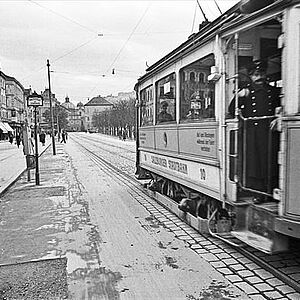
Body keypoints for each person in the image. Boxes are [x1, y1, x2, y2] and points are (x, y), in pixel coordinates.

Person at [228, 60, 281, 202]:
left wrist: (279, 118)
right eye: (256, 74)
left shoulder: (273, 91)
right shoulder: (246, 92)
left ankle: (272, 190)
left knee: (270, 162)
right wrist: (238, 96)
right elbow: (230, 110)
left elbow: (282, 106)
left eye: (262, 73)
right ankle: (259, 192)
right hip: (252, 133)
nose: (259, 77)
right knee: (255, 164)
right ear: (251, 76)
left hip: (270, 132)